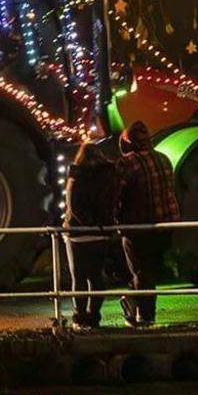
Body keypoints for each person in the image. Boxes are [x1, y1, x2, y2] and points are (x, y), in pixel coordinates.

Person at [115, 121, 179, 327]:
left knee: (140, 272)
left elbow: (117, 196)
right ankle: (136, 306)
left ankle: (144, 316)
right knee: (150, 270)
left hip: (138, 227)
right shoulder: (164, 158)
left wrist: (116, 220)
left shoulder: (127, 164)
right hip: (166, 225)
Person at [62, 135, 122, 329]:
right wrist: (102, 223)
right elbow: (112, 202)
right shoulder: (109, 175)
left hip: (78, 233)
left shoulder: (76, 176)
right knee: (96, 276)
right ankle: (94, 316)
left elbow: (74, 206)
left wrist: (81, 223)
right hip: (101, 231)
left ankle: (79, 317)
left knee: (78, 277)